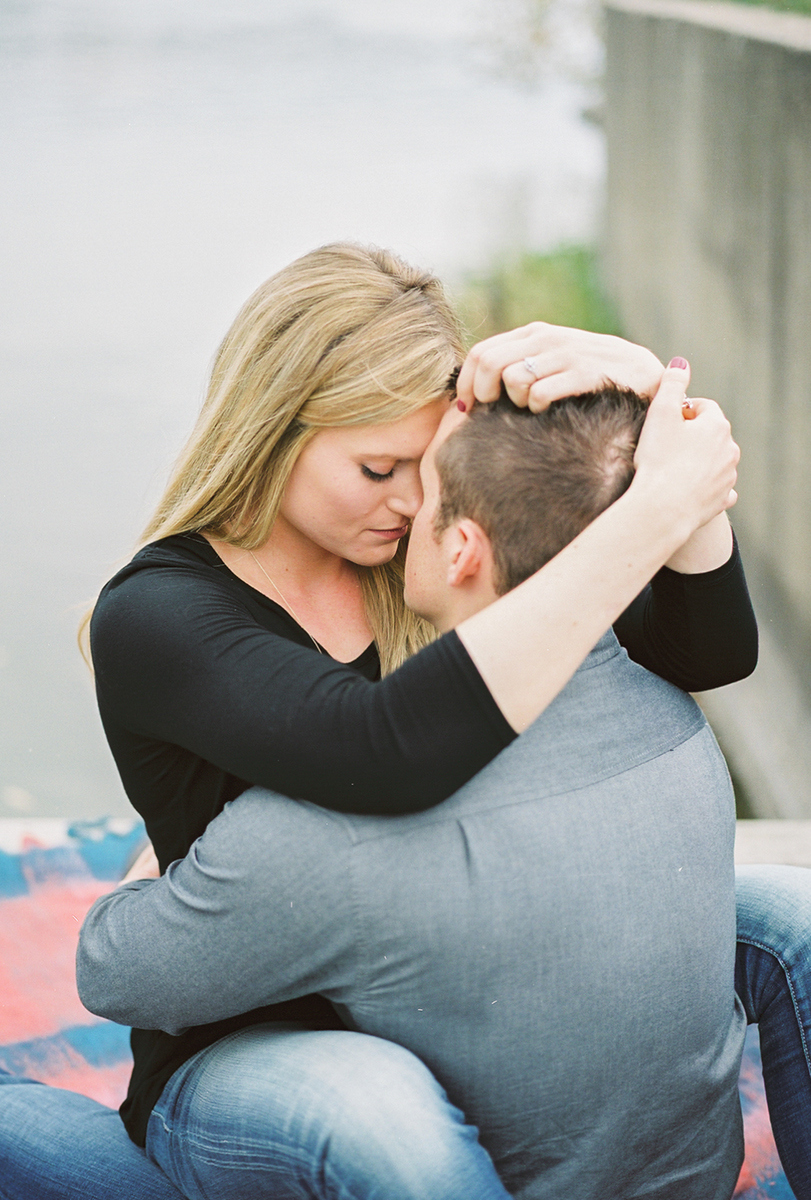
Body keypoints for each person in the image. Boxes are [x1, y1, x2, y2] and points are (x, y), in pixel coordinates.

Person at [0, 241, 779, 1200]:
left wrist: (651, 409)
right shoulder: (159, 616)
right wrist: (652, 507)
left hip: (432, 985)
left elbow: (704, 654)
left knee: (777, 920)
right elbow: (379, 750)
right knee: (368, 1110)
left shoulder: (414, 559)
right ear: (274, 432)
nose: (412, 504)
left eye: (427, 467)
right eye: (376, 468)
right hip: (258, 1041)